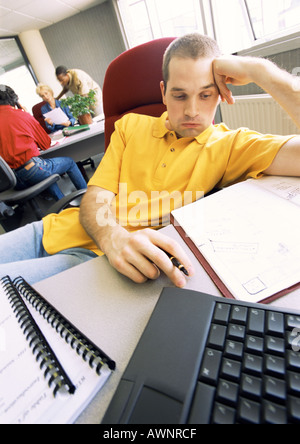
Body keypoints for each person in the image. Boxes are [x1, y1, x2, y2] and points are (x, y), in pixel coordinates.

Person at [0, 33, 299, 285]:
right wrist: (111, 235)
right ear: (163, 93)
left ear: (221, 93)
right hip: (50, 230)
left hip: (91, 260)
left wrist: (263, 72)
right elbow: (95, 196)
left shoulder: (230, 145)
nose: (193, 110)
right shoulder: (130, 125)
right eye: (180, 96)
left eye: (205, 95)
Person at [0, 85, 87, 202]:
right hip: (32, 171)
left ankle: (63, 207)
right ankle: (88, 198)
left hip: (11, 181)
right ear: (15, 100)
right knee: (69, 163)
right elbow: (45, 144)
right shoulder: (21, 115)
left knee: (44, 174)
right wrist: (26, 115)